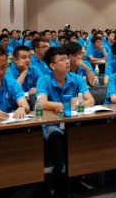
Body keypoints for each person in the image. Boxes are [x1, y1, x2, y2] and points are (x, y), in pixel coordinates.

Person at [36, 47, 94, 188]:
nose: (67, 62)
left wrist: (80, 103)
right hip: (52, 124)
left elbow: (91, 100)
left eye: (67, 58)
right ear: (52, 66)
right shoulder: (44, 80)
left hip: (72, 122)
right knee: (56, 136)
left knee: (84, 133)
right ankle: (60, 177)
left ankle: (77, 175)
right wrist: (65, 105)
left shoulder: (76, 78)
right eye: (62, 60)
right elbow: (42, 103)